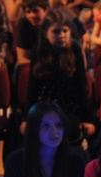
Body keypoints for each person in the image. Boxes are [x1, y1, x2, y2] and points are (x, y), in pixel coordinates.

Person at [4, 101, 85, 177]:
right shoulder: (15, 161)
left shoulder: (74, 163)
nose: (54, 131)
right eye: (46, 125)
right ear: (34, 129)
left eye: (58, 125)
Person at [27, 8, 96, 141]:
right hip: (45, 105)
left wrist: (86, 119)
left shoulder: (75, 50)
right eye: (56, 31)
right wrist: (27, 118)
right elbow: (33, 87)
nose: (61, 35)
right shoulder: (38, 50)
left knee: (69, 127)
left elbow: (81, 86)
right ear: (45, 33)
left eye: (65, 31)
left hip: (69, 106)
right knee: (40, 128)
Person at [15, 0, 49, 65]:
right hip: (32, 64)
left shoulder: (54, 23)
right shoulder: (24, 23)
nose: (32, 15)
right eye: (28, 12)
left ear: (46, 10)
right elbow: (22, 58)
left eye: (35, 11)